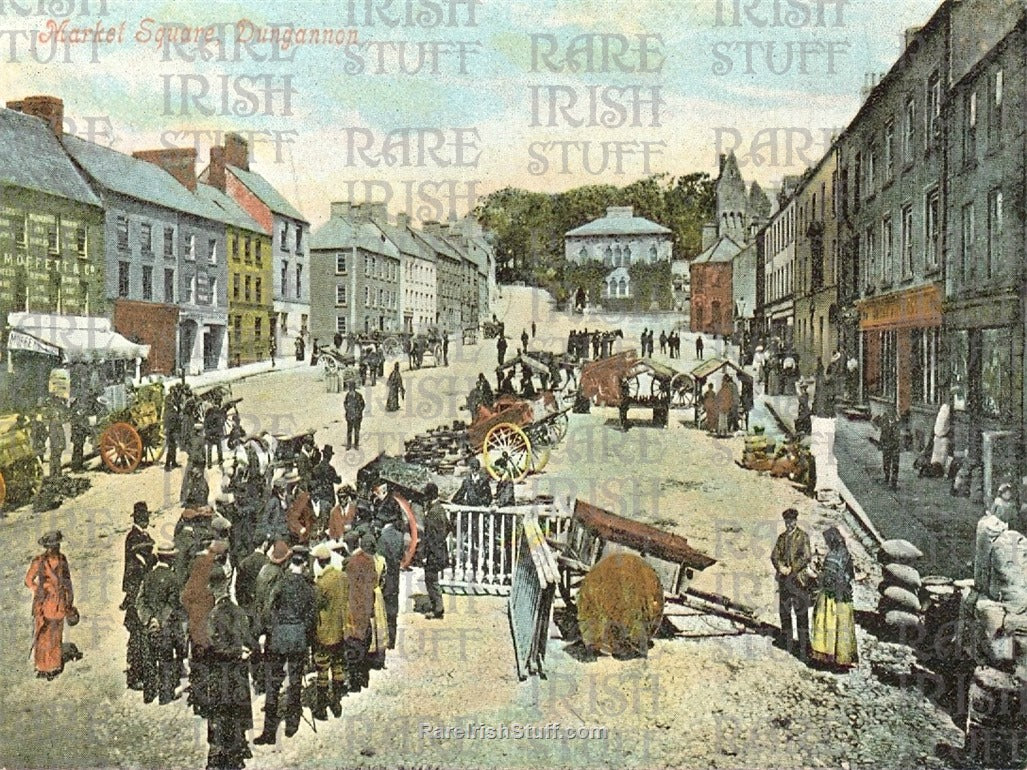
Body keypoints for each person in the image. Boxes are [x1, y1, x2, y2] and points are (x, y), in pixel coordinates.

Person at [257, 547, 316, 743]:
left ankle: (269, 731)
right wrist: (303, 632)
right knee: (295, 681)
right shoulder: (308, 587)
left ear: (290, 563)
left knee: (273, 684)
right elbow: (311, 617)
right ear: (304, 564)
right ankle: (292, 724)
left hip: (279, 637)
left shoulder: (280, 583)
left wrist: (272, 629)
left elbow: (268, 609)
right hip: (298, 637)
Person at [204, 564, 254, 770]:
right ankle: (239, 750)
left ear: (210, 588)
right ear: (225, 585)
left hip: (220, 673)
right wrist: (243, 651)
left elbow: (212, 646)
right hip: (239, 672)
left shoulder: (214, 615)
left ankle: (218, 758)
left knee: (219, 714)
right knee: (237, 710)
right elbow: (249, 640)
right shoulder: (239, 611)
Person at [136, 542, 186, 705]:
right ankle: (165, 695)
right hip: (165, 627)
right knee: (165, 659)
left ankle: (149, 694)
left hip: (148, 625)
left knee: (149, 659)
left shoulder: (148, 575)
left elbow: (140, 600)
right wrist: (160, 620)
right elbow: (172, 604)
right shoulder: (173, 579)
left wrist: (149, 619)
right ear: (171, 559)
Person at [25, 530, 75, 680]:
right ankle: (42, 666)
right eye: (53, 546)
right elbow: (28, 580)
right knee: (43, 635)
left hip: (59, 602)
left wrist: (70, 600)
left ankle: (54, 665)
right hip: (44, 603)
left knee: (56, 633)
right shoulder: (39, 561)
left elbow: (67, 581)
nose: (56, 548)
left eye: (57, 545)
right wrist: (39, 590)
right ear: (47, 547)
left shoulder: (62, 560)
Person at [810, 526, 858, 669]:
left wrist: (817, 573)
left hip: (830, 597)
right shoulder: (846, 554)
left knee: (826, 625)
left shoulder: (832, 556)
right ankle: (842, 658)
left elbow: (827, 580)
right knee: (842, 628)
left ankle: (825, 656)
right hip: (844, 597)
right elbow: (850, 575)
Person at [311, 542, 348, 720]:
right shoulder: (342, 577)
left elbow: (315, 607)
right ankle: (337, 702)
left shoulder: (320, 583)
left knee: (323, 668)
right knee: (339, 665)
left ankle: (321, 707)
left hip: (325, 632)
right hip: (341, 629)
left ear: (319, 562)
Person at [771, 508, 812, 660]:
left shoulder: (802, 536)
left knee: (801, 613)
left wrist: (791, 569)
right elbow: (774, 555)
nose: (789, 524)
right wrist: (780, 567)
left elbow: (806, 556)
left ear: (796, 521)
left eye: (791, 521)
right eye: (787, 522)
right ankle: (786, 641)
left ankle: (804, 646)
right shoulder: (781, 538)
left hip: (798, 580)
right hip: (784, 580)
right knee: (784, 611)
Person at [123, 501, 156, 690]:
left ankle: (139, 670)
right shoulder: (135, 538)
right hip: (136, 591)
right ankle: (135, 675)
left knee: (138, 633)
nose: (147, 520)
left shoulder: (139, 535)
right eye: (145, 517)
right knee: (138, 633)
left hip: (136, 590)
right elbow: (139, 565)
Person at [344, 533, 377, 693]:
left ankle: (355, 682)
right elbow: (376, 581)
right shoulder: (370, 560)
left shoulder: (350, 563)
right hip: (368, 606)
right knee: (365, 641)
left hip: (355, 608)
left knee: (354, 644)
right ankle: (364, 677)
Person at [422, 483, 449, 619]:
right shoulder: (441, 509)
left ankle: (438, 609)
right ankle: (437, 606)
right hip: (441, 550)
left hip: (433, 552)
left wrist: (425, 555)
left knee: (431, 580)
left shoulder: (432, 513)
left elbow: (429, 537)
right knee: (433, 579)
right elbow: (449, 526)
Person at [378, 521, 404, 649]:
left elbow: (381, 561)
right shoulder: (400, 536)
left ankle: (384, 641)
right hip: (395, 579)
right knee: (393, 611)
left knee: (383, 611)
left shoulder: (382, 538)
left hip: (386, 580)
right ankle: (392, 641)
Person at [878, 408, 901, 490]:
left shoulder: (897, 423)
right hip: (886, 445)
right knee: (886, 463)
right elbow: (882, 434)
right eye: (889, 415)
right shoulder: (885, 423)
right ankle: (886, 477)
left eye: (892, 415)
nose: (891, 417)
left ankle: (894, 482)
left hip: (895, 446)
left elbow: (898, 436)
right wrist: (881, 444)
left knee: (895, 465)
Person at [46, 400, 66, 478]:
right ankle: (54, 474)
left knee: (55, 459)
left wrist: (61, 444)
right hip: (54, 444)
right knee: (54, 459)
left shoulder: (55, 423)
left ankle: (56, 474)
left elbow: (61, 434)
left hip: (57, 445)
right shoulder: (53, 423)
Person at [344, 382, 365, 450]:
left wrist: (358, 412)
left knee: (356, 431)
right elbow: (345, 403)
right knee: (349, 431)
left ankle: (356, 444)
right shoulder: (348, 395)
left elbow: (362, 405)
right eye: (350, 389)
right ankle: (349, 444)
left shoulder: (359, 396)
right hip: (349, 417)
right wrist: (347, 410)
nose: (350, 390)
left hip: (357, 417)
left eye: (351, 388)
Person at [204, 404, 226, 468]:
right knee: (219, 448)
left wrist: (208, 435)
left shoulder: (207, 418)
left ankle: (209, 464)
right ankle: (220, 460)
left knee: (209, 450)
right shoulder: (217, 417)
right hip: (216, 435)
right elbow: (220, 426)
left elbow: (205, 427)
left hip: (210, 436)